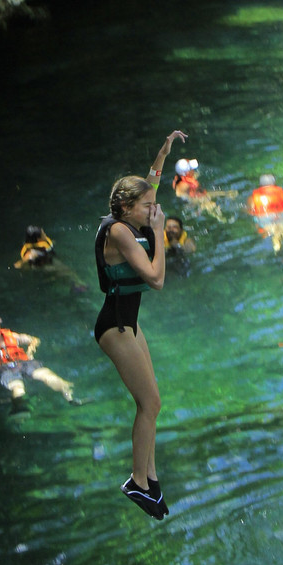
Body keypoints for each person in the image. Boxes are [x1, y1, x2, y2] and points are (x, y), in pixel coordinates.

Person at [94, 130, 187, 520]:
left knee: (153, 402)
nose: (153, 208)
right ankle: (137, 480)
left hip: (129, 324)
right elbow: (156, 278)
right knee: (149, 403)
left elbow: (149, 184)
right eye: (147, 205)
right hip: (115, 326)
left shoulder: (129, 215)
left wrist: (162, 154)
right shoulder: (118, 231)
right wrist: (162, 234)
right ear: (126, 206)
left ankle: (150, 477)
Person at [0, 310, 77, 415]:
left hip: (23, 362)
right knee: (18, 387)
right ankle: (19, 407)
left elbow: (34, 340)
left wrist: (30, 351)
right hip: (4, 369)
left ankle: (69, 395)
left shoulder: (12, 336)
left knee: (46, 375)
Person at [13, 225, 88, 292]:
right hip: (42, 266)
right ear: (38, 239)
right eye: (43, 234)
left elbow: (47, 246)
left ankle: (77, 285)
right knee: (66, 271)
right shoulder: (32, 253)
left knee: (66, 271)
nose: (45, 234)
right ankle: (78, 286)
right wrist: (21, 265)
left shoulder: (40, 245)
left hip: (46, 260)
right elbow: (19, 264)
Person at [246, 173, 283, 252]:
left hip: (266, 223)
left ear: (260, 185)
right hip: (282, 218)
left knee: (275, 237)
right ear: (275, 184)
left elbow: (249, 212)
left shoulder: (252, 199)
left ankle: (277, 249)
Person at [172, 158, 233, 222]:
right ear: (187, 172)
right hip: (191, 200)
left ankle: (226, 194)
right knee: (212, 205)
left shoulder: (182, 178)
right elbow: (180, 194)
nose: (193, 170)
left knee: (225, 193)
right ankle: (221, 218)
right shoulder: (184, 185)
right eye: (191, 169)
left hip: (193, 195)